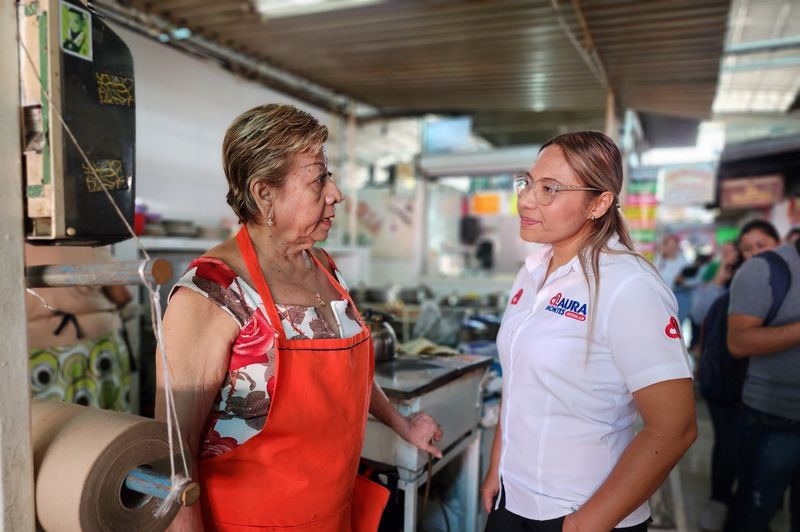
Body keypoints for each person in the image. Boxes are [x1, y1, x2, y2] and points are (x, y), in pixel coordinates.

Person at [159, 104, 443, 531]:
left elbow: (351, 374)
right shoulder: (212, 291)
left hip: (332, 512)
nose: (336, 193)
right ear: (264, 193)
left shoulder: (323, 266)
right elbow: (173, 448)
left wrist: (402, 424)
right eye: (318, 178)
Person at [481, 131, 697, 532]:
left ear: (598, 203)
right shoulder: (531, 272)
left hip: (580, 511)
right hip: (513, 499)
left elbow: (675, 427)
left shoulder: (629, 286)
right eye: (527, 183)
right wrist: (497, 469)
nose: (526, 199)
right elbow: (519, 380)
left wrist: (585, 524)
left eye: (550, 189)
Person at [725, 219, 800, 532]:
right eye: (748, 247)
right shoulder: (764, 269)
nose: (753, 251)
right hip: (776, 415)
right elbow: (738, 342)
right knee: (755, 510)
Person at [26, 244, 133, 412]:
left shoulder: (9, 242)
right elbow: (122, 295)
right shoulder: (89, 242)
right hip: (99, 345)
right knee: (109, 426)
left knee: (49, 425)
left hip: (36, 355)